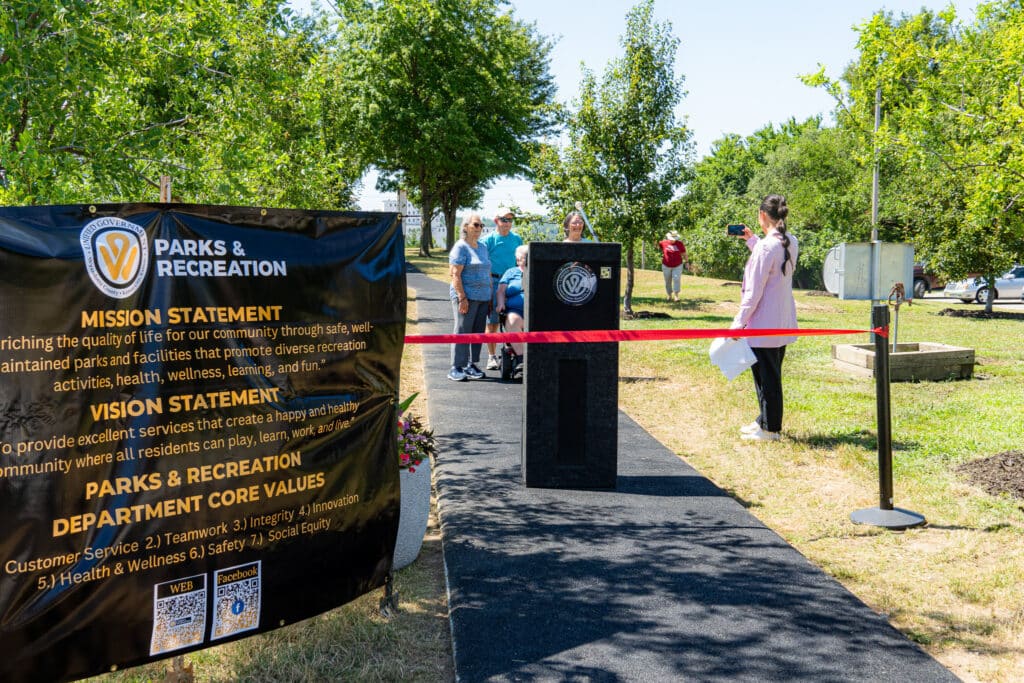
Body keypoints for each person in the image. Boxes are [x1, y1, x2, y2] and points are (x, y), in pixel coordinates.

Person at [729, 194, 799, 441]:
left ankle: (770, 429)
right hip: (782, 322)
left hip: (763, 325)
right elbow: (772, 260)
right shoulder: (790, 240)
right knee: (770, 375)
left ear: (762, 216)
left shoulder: (769, 247)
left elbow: (754, 292)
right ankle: (764, 420)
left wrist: (737, 324)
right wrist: (752, 240)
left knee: (767, 380)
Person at [447, 213, 491, 382]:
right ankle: (456, 367)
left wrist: (490, 296)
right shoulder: (460, 247)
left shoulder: (482, 247)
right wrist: (462, 298)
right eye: (476, 225)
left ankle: (471, 364)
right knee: (463, 330)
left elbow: (487, 271)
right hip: (467, 297)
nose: (479, 228)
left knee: (478, 332)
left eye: (481, 225)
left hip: (483, 297)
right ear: (466, 227)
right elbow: (455, 275)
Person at [481, 208, 523, 370]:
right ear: (496, 221)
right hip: (493, 281)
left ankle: (515, 351)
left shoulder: (517, 239)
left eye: (510, 220)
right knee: (493, 321)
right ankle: (491, 357)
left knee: (513, 317)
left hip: (512, 283)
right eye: (504, 219)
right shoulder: (488, 240)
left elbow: (520, 263)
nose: (507, 223)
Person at [496, 245, 529, 358]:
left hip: (537, 312)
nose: (526, 259)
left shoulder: (538, 270)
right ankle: (522, 358)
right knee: (513, 320)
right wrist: (500, 304)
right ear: (518, 259)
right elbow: (500, 291)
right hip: (516, 311)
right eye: (524, 257)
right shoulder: (511, 272)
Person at [658, 230, 689, 301]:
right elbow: (657, 245)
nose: (673, 241)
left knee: (676, 279)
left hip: (677, 265)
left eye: (674, 239)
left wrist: (687, 262)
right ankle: (669, 295)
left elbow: (684, 254)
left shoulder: (680, 244)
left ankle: (676, 296)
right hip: (666, 265)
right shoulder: (663, 242)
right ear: (668, 238)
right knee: (667, 280)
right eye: (671, 239)